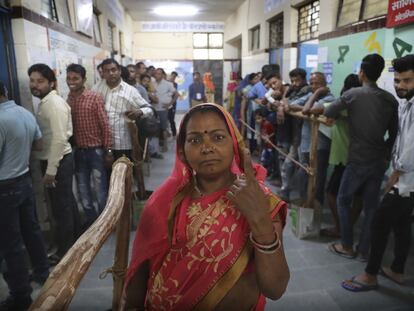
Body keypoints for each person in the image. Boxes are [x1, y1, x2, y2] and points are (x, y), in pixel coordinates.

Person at [120, 103, 289, 310]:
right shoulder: (164, 201)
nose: (207, 147)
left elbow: (276, 289)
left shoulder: (258, 199)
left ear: (234, 143)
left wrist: (260, 222)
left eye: (218, 137)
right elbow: (141, 270)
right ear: (182, 151)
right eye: (195, 140)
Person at [341, 54, 414, 291]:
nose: (400, 86)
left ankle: (370, 274)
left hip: (405, 181)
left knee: (380, 224)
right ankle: (397, 270)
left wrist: (395, 174)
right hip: (403, 179)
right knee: (402, 225)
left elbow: (410, 149)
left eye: (407, 81)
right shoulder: (404, 104)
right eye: (398, 80)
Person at [323, 54, 399, 260]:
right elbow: (394, 133)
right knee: (371, 206)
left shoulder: (353, 94)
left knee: (343, 200)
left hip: (357, 158)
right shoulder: (390, 99)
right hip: (379, 160)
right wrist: (385, 154)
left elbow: (329, 110)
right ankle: (364, 250)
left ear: (362, 73)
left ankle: (347, 245)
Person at [0, 81, 49, 310]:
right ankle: (42, 272)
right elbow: (38, 144)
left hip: (4, 187)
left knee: (11, 244)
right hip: (24, 179)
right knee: (32, 230)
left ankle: (21, 295)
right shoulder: (25, 113)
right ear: (6, 92)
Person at [29, 63, 80, 265]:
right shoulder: (46, 101)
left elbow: (59, 138)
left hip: (57, 162)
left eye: (40, 81)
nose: (35, 85)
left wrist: (51, 171)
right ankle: (75, 244)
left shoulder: (53, 104)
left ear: (51, 83)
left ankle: (66, 253)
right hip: (57, 160)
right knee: (67, 204)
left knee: (61, 209)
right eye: (32, 81)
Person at [66, 63, 112, 228]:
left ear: (83, 79)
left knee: (100, 190)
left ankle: (104, 222)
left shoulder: (94, 97)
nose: (72, 81)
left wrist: (108, 150)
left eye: (76, 78)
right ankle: (91, 221)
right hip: (78, 152)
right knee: (82, 189)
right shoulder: (68, 99)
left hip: (96, 151)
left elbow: (105, 125)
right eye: (69, 78)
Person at [321, 74, 362, 238]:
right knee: (359, 196)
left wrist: (317, 95)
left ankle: (341, 228)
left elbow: (314, 109)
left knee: (333, 194)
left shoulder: (343, 104)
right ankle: (348, 226)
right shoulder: (368, 106)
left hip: (344, 157)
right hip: (363, 157)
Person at [92, 58, 153, 161]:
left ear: (119, 71)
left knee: (123, 175)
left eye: (113, 70)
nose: (111, 73)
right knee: (104, 176)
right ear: (103, 73)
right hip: (100, 142)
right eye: (107, 71)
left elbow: (149, 109)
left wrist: (139, 112)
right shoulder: (96, 89)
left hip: (122, 143)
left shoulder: (130, 91)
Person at [292, 72, 335, 205]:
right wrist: (309, 103)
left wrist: (314, 97)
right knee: (304, 175)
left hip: (320, 145)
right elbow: (292, 105)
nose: (314, 86)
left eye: (317, 83)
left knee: (319, 178)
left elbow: (308, 110)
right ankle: (305, 203)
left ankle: (316, 207)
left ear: (324, 84)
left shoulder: (330, 98)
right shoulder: (310, 95)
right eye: (311, 83)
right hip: (306, 143)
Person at [153, 68, 178, 152]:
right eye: (156, 73)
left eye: (159, 73)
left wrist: (170, 104)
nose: (157, 75)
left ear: (163, 75)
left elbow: (176, 94)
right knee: (156, 128)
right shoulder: (152, 83)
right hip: (154, 109)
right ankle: (156, 146)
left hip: (163, 109)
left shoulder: (168, 84)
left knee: (164, 127)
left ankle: (165, 145)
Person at [168, 71, 179, 137]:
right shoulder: (166, 82)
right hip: (166, 103)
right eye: (173, 76)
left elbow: (175, 94)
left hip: (173, 103)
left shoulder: (175, 84)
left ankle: (174, 133)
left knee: (172, 118)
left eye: (175, 76)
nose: (173, 77)